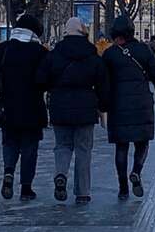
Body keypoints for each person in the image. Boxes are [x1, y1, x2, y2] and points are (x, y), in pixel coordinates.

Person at [37, 17, 108, 205]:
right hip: (86, 107)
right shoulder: (92, 55)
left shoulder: (54, 54)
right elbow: (102, 83)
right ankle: (82, 192)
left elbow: (41, 80)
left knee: (62, 146)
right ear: (82, 31)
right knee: (84, 149)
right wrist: (103, 106)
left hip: (60, 106)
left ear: (66, 32)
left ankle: (60, 174)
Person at [103, 15, 155, 200]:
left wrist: (102, 104)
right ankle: (136, 171)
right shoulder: (143, 50)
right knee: (142, 142)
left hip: (118, 105)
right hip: (141, 102)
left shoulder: (110, 54)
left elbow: (104, 82)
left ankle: (123, 186)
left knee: (121, 146)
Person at [0, 14, 48, 201]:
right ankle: (26, 187)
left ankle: (9, 172)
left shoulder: (4, 48)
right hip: (33, 107)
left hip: (7, 106)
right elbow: (46, 79)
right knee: (30, 147)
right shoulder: (39, 51)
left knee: (10, 143)